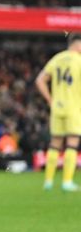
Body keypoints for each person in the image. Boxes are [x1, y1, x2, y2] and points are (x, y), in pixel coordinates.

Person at [35, 33, 81, 192]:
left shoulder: (57, 58)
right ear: (78, 44)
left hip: (57, 107)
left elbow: (40, 80)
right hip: (74, 107)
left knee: (54, 144)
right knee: (72, 144)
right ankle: (67, 182)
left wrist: (50, 100)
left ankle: (48, 181)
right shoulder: (79, 61)